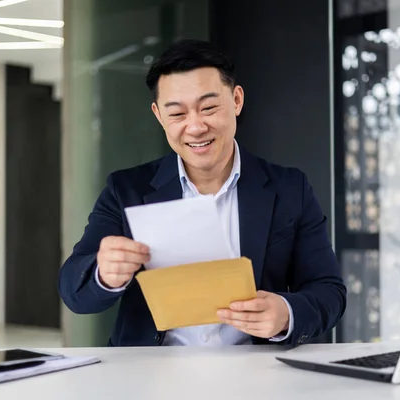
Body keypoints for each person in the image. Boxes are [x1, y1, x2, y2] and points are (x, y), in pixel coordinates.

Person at [58, 39, 347, 347]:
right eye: (177, 114)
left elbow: (328, 291)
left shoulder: (290, 188)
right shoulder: (126, 190)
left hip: (256, 379)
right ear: (158, 116)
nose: (195, 127)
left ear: (236, 100)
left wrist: (286, 314)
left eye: (208, 108)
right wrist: (105, 273)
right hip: (150, 378)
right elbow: (73, 291)